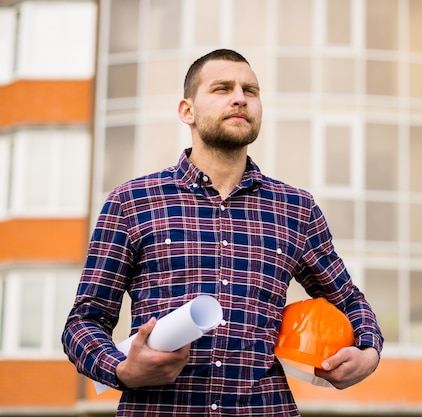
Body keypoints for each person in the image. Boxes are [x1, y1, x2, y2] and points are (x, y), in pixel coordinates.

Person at [62, 48, 383, 416]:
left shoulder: (297, 209)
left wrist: (368, 352)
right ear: (187, 111)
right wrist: (121, 369)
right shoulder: (132, 202)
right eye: (222, 88)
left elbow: (349, 299)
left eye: (251, 90)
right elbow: (84, 322)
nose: (239, 98)